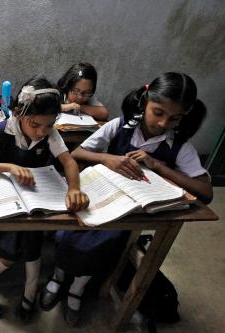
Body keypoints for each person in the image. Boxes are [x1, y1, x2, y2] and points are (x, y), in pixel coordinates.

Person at [40, 72, 213, 326]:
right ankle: (57, 278)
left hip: (128, 214)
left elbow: (206, 192)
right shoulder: (120, 126)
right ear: (145, 101)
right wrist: (109, 158)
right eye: (158, 112)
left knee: (103, 242)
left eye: (175, 118)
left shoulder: (179, 146)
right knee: (69, 232)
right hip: (99, 197)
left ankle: (76, 289)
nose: (164, 123)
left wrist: (158, 166)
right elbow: (78, 152)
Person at [0, 77, 89, 323]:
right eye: (35, 124)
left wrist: (74, 188)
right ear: (19, 113)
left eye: (49, 124)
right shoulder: (3, 131)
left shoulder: (49, 134)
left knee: (33, 253)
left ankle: (28, 298)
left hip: (36, 206)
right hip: (8, 206)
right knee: (7, 255)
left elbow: (69, 162)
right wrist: (9, 166)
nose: (42, 131)